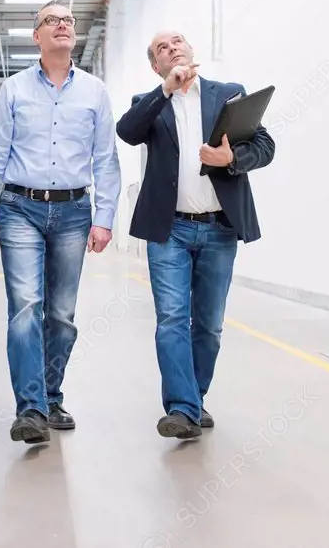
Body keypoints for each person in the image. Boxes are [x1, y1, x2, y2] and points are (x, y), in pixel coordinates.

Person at [0, 0, 122, 444]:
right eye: (51, 21)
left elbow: (106, 159)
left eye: (68, 20)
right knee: (24, 308)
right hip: (20, 207)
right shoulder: (14, 90)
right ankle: (31, 408)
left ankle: (52, 396)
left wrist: (105, 217)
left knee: (61, 314)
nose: (62, 25)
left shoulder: (94, 91)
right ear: (36, 36)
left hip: (75, 212)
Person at [116, 30, 275, 440]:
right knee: (172, 318)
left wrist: (231, 158)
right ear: (157, 66)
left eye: (177, 42)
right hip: (168, 230)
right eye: (162, 49)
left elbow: (266, 146)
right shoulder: (149, 104)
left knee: (208, 325)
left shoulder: (229, 94)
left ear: (191, 50)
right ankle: (183, 409)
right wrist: (164, 91)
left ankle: (194, 398)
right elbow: (128, 131)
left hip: (219, 229)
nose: (172, 49)